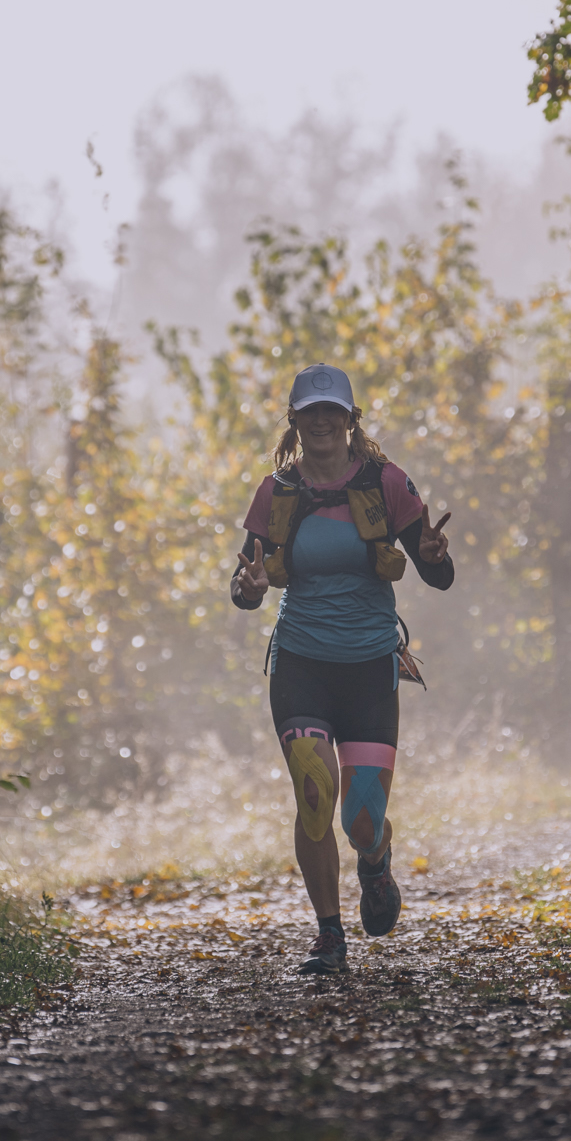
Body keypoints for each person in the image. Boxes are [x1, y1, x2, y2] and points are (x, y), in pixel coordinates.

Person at [231, 363, 454, 975]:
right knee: (313, 794)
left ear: (351, 420)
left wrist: (437, 558)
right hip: (301, 663)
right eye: (311, 412)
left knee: (359, 818)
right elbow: (245, 583)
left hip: (368, 669)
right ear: (296, 422)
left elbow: (436, 572)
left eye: (334, 411)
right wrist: (249, 588)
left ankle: (374, 861)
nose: (322, 421)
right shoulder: (277, 491)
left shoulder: (386, 482)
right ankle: (330, 934)